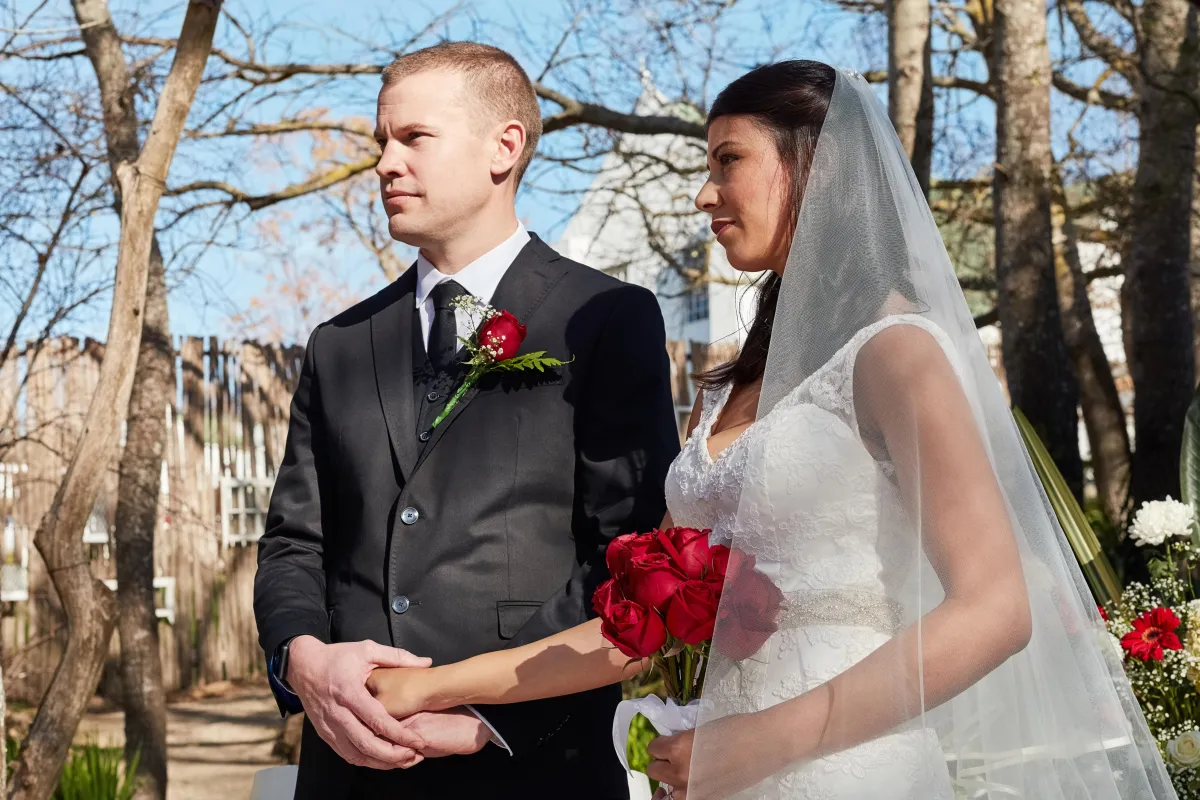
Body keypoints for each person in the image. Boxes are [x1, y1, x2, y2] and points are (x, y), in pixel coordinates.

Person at [366, 61, 1178, 799]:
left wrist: (765, 741)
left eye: (728, 161)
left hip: (850, 773)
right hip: (719, 773)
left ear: (815, 169)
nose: (704, 194)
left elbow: (996, 609)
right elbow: (631, 634)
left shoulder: (897, 354)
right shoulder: (725, 390)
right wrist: (432, 686)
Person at [253, 41, 680, 800]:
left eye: (414, 138)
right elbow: (295, 541)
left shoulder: (606, 319)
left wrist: (489, 711)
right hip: (348, 769)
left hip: (536, 766)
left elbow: (629, 558)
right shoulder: (339, 344)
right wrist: (302, 658)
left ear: (503, 147)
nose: (385, 162)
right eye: (381, 140)